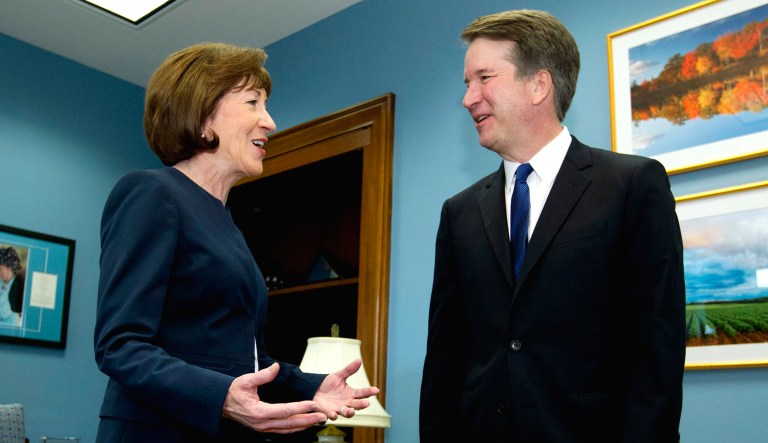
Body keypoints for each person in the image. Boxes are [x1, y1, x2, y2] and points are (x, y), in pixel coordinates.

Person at [420, 10, 685, 442]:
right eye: (467, 83)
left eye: (484, 78)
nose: (468, 99)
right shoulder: (459, 213)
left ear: (539, 84)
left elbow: (656, 352)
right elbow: (445, 365)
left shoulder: (632, 186)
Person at [94, 43, 378, 443]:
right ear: (203, 116)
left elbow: (245, 360)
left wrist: (311, 386)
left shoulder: (227, 223)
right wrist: (221, 397)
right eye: (253, 103)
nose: (270, 122)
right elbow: (120, 345)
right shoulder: (151, 193)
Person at [0, 246, 24, 325]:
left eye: (0, 268)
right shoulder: (2, 283)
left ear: (9, 267)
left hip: (8, 328)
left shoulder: (18, 286)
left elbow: (4, 312)